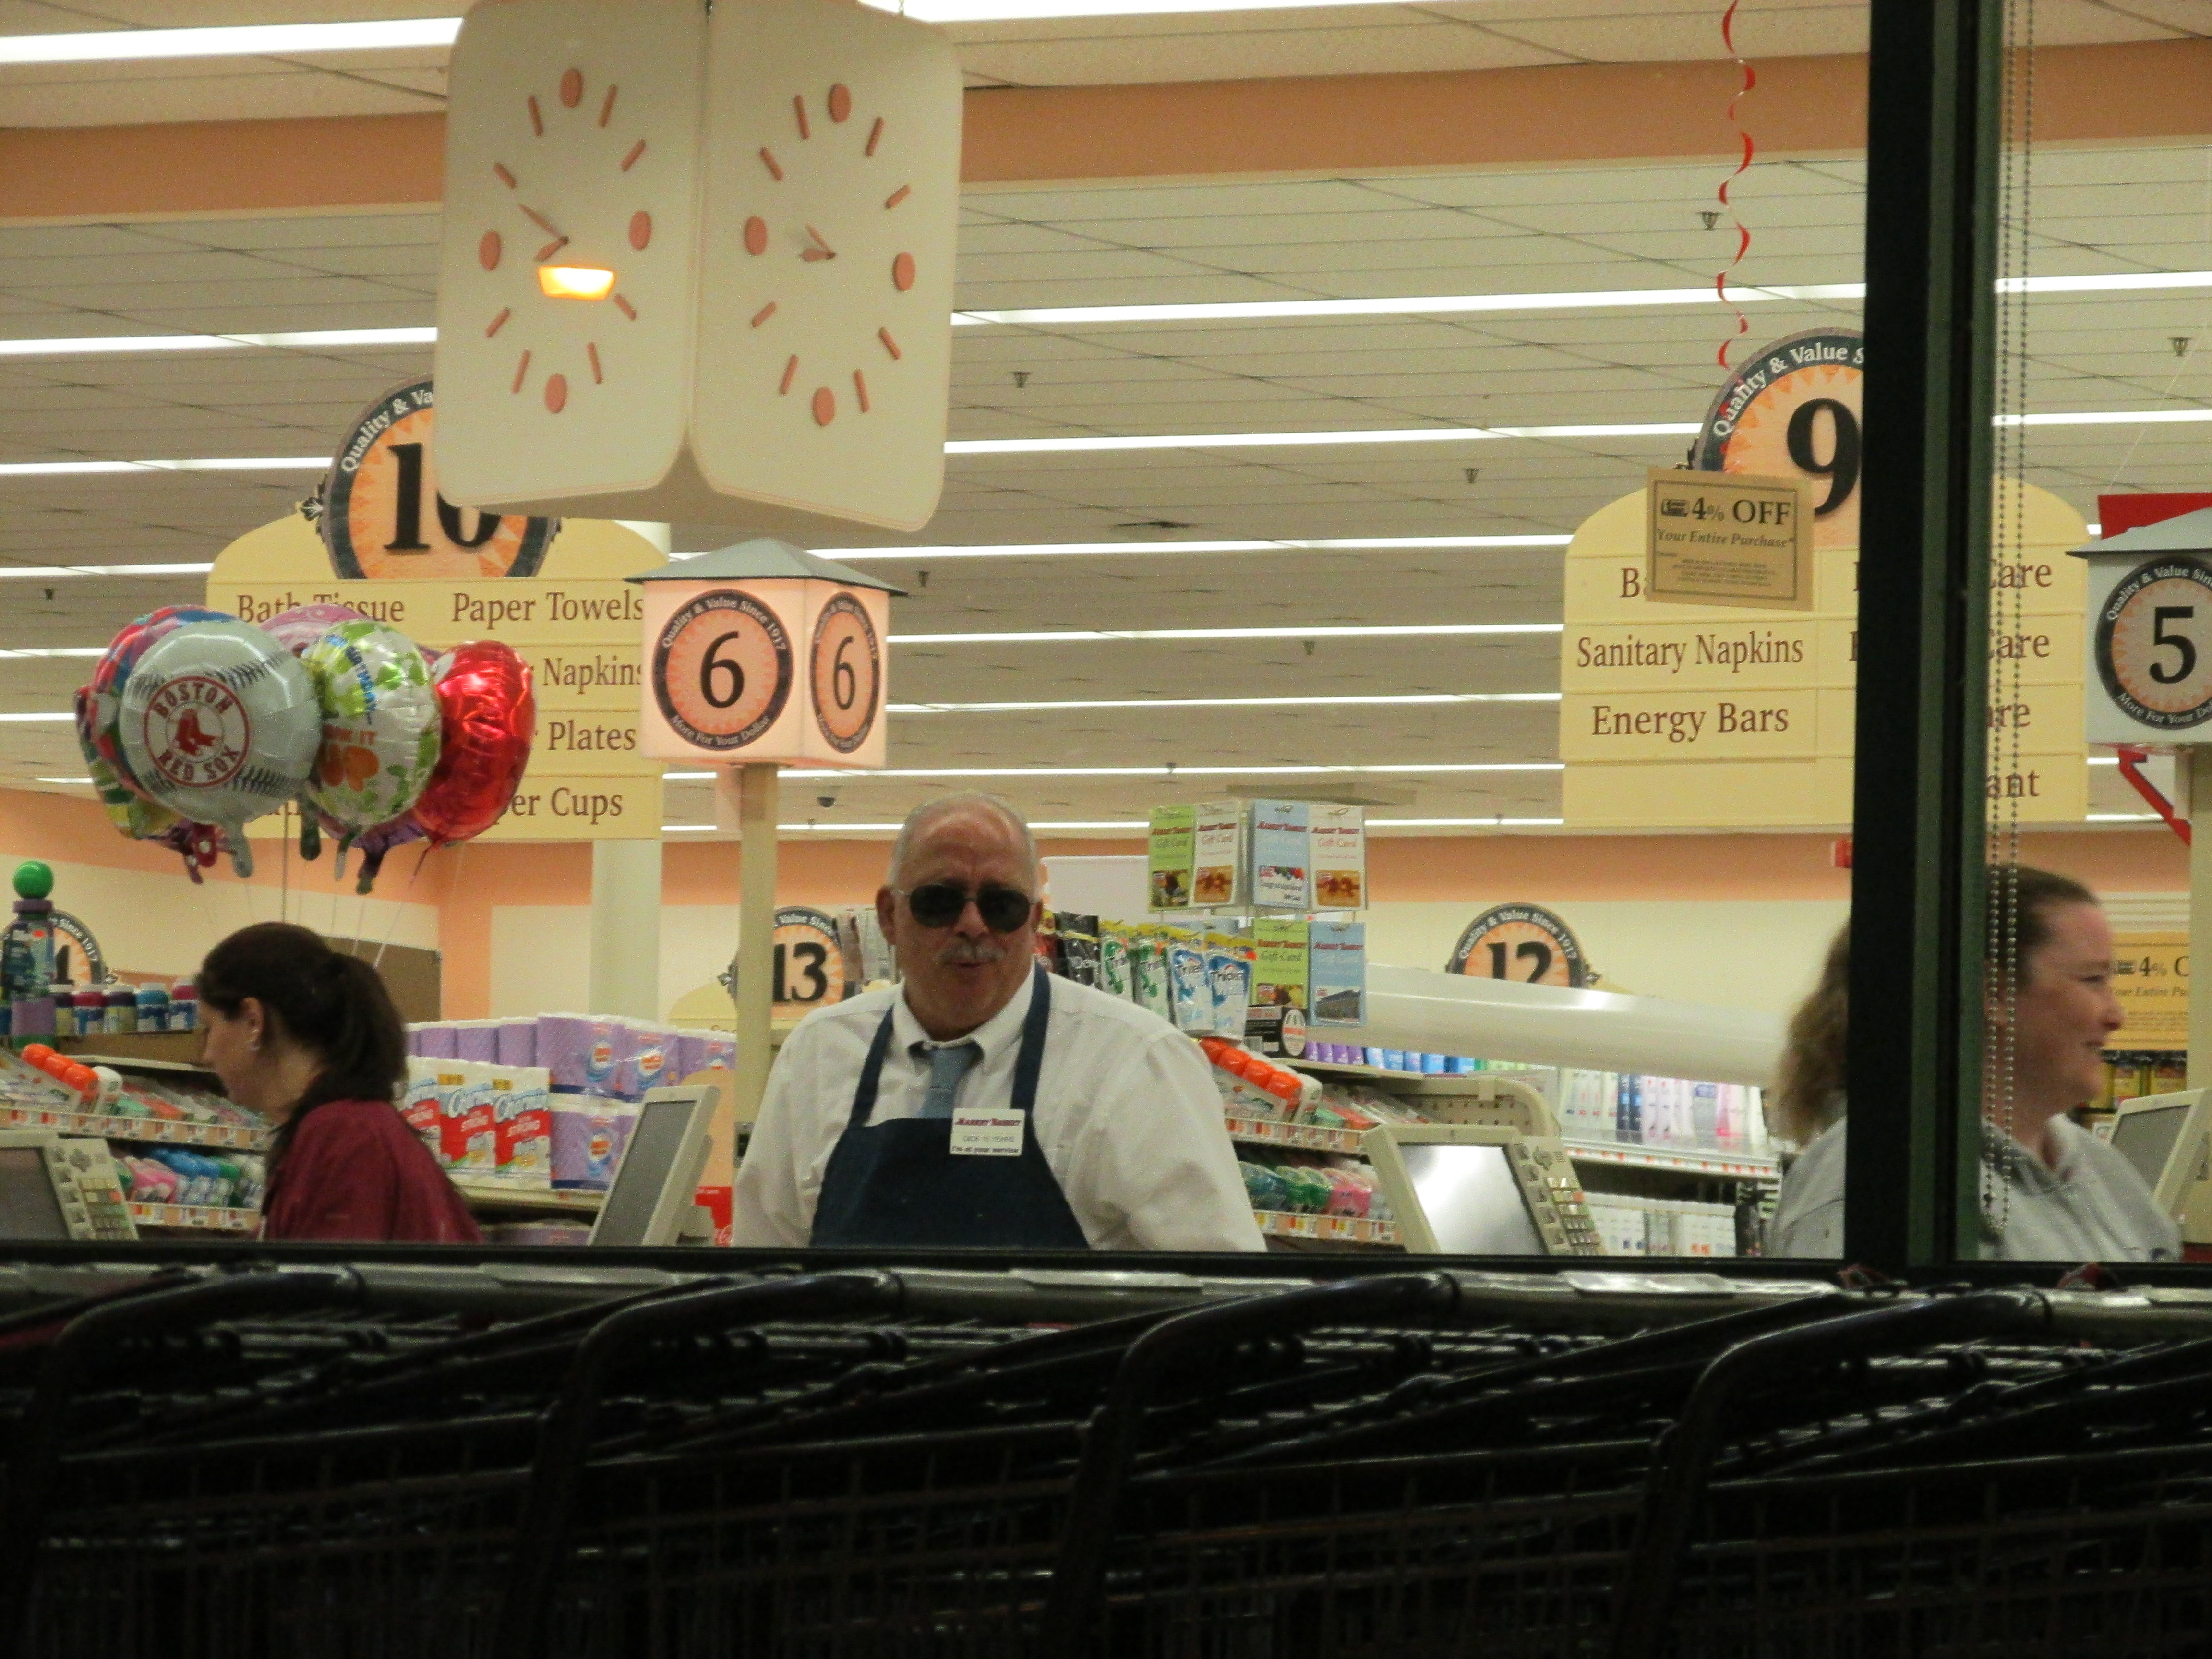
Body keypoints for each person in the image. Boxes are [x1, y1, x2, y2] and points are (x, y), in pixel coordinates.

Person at [733, 793, 1265, 1251]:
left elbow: (1222, 1286)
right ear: (890, 916)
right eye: (939, 902)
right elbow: (765, 1263)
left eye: (1002, 904)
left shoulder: (1135, 1061)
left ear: (1034, 921)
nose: (972, 925)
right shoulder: (820, 1053)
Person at [1767, 867, 2179, 1262]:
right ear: (1994, 994)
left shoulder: (2102, 1173)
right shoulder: (1882, 1184)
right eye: (2092, 980)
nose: (2116, 1016)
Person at [199, 922, 480, 1245]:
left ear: (253, 1021)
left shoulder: (343, 1135)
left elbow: (330, 1286)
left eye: (209, 1027)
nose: (206, 1055)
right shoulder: (353, 1126)